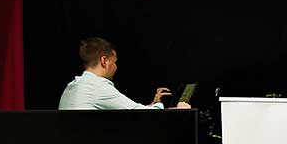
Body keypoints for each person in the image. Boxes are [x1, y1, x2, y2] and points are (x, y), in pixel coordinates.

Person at [58, 37, 190, 110]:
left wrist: (153, 104)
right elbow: (143, 115)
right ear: (104, 61)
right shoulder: (97, 86)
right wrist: (180, 111)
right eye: (115, 62)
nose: (116, 67)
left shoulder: (73, 86)